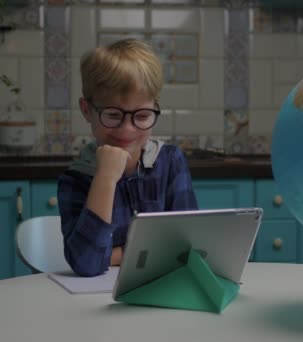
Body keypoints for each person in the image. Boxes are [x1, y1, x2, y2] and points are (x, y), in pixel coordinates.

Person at [57, 39, 199, 277]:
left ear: (155, 107)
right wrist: (105, 178)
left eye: (142, 116)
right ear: (86, 110)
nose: (127, 130)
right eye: (113, 115)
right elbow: (87, 264)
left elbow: (189, 248)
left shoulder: (171, 162)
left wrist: (114, 254)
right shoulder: (76, 180)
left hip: (162, 291)